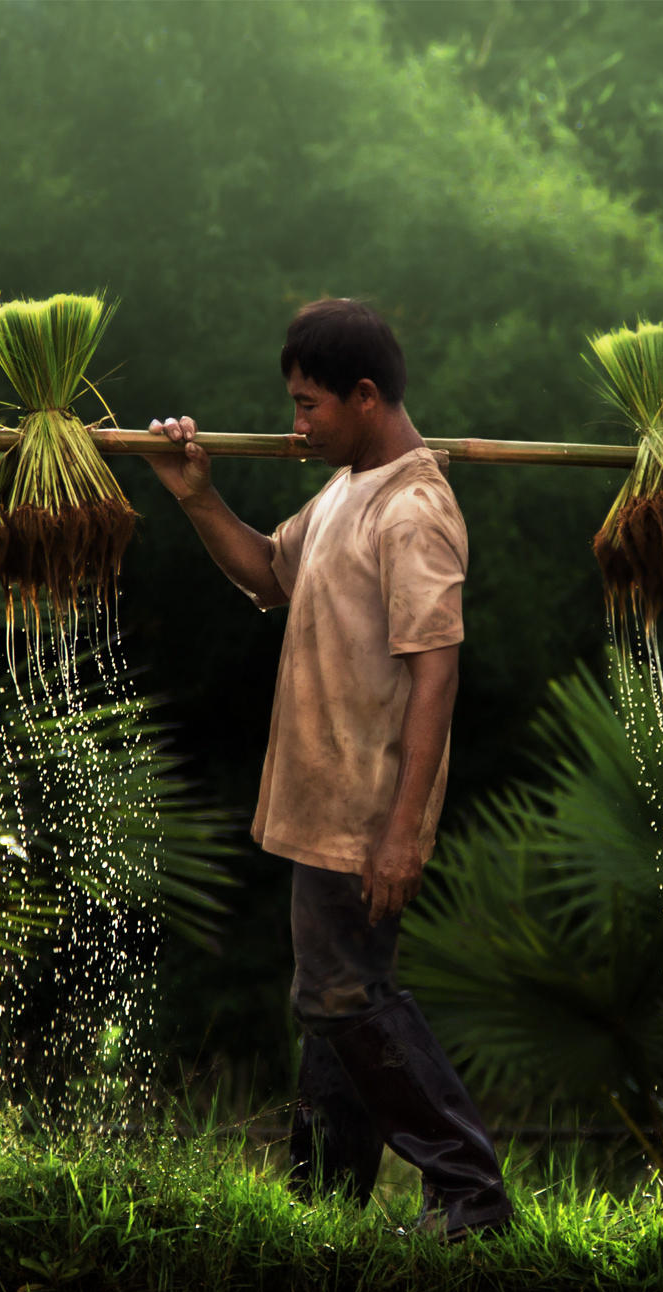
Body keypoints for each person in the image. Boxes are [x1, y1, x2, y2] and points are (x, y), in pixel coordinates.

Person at [143, 298, 512, 1239]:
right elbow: (269, 573)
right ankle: (326, 1210)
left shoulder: (414, 507)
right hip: (320, 802)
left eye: (309, 406)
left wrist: (401, 830)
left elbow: (437, 673)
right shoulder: (345, 490)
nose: (295, 425)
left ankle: (469, 1186)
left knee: (345, 994)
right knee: (327, 999)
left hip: (366, 808)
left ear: (365, 395)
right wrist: (193, 493)